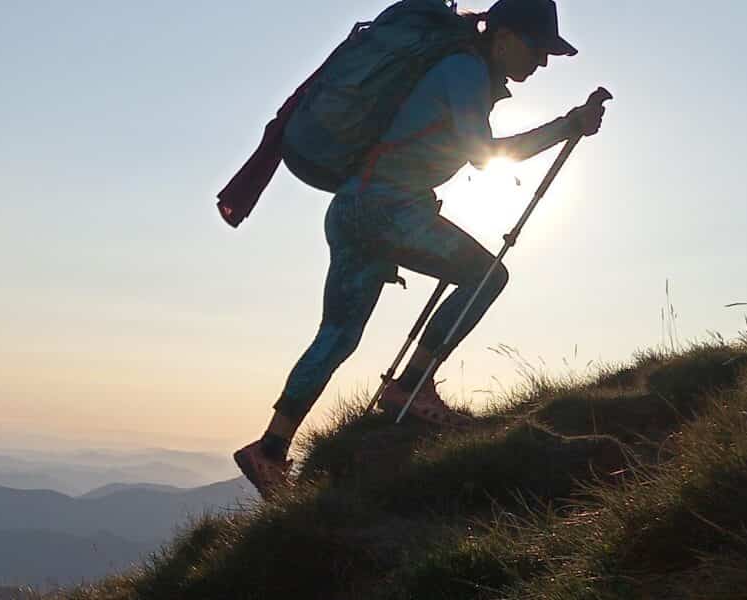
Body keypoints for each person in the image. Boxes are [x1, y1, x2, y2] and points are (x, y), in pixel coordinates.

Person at [232, 0, 606, 499]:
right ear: (504, 36)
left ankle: (271, 449)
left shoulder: (459, 66)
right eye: (538, 48)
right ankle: (412, 384)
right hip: (387, 210)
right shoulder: (466, 69)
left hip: (353, 208)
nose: (540, 62)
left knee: (338, 335)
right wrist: (566, 125)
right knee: (486, 276)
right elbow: (484, 154)